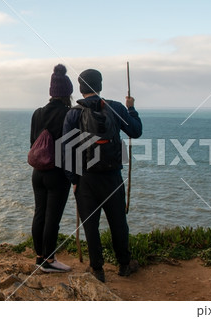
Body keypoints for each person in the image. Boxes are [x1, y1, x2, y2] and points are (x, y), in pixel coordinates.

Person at [63, 69, 142, 282]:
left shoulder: (73, 113)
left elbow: (66, 151)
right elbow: (135, 131)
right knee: (118, 222)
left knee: (91, 225)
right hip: (113, 175)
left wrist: (74, 181)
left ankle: (97, 270)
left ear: (80, 88)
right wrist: (131, 108)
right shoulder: (115, 108)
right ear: (100, 85)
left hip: (86, 179)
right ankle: (124, 264)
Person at [30, 64, 73, 273]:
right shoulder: (69, 114)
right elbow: (72, 149)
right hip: (57, 174)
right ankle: (49, 260)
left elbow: (33, 143)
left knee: (39, 214)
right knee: (52, 218)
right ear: (67, 93)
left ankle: (39, 257)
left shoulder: (37, 113)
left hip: (38, 173)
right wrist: (76, 178)